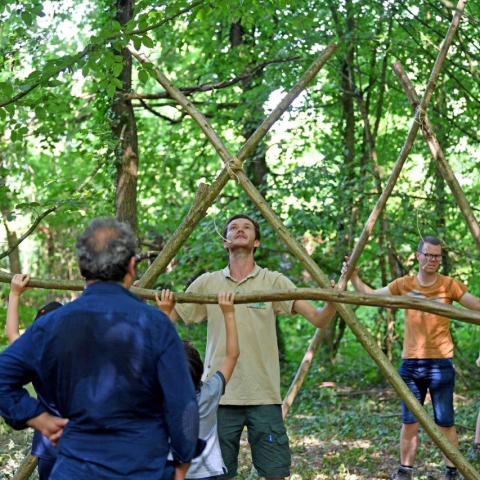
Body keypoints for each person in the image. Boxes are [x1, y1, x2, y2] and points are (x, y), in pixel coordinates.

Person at [0, 217, 203, 479]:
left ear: (82, 268)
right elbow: (183, 406)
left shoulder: (51, 325)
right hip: (141, 469)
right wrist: (183, 462)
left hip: (75, 469)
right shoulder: (156, 326)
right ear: (131, 266)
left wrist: (37, 418)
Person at [164, 213, 337, 480]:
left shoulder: (273, 281)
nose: (240, 230)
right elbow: (165, 321)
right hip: (219, 396)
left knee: (276, 472)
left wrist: (333, 301)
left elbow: (318, 318)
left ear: (256, 242)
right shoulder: (207, 283)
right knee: (219, 474)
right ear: (225, 241)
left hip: (264, 393)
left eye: (247, 228)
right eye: (233, 227)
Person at [342, 235, 480, 480]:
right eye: (428, 254)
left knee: (445, 422)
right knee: (409, 421)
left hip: (440, 363)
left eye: (437, 255)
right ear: (418, 256)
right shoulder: (404, 284)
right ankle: (405, 471)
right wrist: (353, 276)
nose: (432, 259)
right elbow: (372, 296)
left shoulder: (449, 285)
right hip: (411, 364)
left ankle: (452, 470)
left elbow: (476, 305)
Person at [157, 290, 239, 480]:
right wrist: (229, 313)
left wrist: (165, 315)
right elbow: (232, 356)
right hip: (208, 474)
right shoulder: (210, 392)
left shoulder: (160, 398)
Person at [6, 273, 63, 479]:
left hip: (49, 445)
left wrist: (14, 294)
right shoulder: (79, 356)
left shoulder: (36, 358)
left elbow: (12, 334)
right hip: (79, 446)